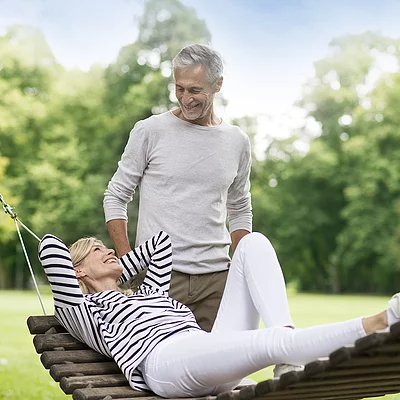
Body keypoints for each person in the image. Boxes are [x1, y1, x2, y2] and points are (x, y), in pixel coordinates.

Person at [38, 230, 399, 398]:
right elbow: (49, 247)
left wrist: (116, 267)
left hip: (204, 350)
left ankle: (288, 354)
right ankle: (381, 322)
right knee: (270, 342)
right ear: (78, 273)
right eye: (96, 251)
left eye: (106, 247)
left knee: (252, 244)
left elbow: (162, 244)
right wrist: (98, 271)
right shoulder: (82, 310)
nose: (107, 250)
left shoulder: (149, 293)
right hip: (166, 363)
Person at [103, 43, 252, 332]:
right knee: (159, 370)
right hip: (159, 277)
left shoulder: (237, 141)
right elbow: (115, 196)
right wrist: (128, 263)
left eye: (195, 90)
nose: (186, 98)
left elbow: (240, 207)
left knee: (218, 371)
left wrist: (240, 264)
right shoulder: (150, 131)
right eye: (179, 88)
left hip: (217, 279)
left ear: (218, 85)